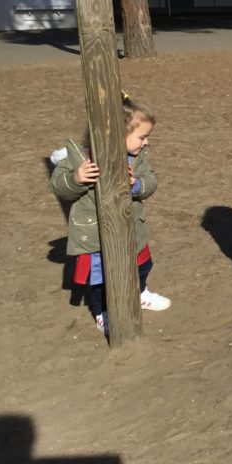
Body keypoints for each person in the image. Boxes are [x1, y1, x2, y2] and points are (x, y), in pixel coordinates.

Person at [49, 93, 170, 335]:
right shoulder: (80, 158)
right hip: (97, 236)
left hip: (131, 229)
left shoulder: (136, 160)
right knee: (100, 279)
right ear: (116, 133)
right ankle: (102, 311)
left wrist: (136, 184)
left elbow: (151, 181)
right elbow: (58, 186)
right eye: (142, 137)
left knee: (143, 264)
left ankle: (140, 292)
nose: (146, 142)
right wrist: (76, 179)